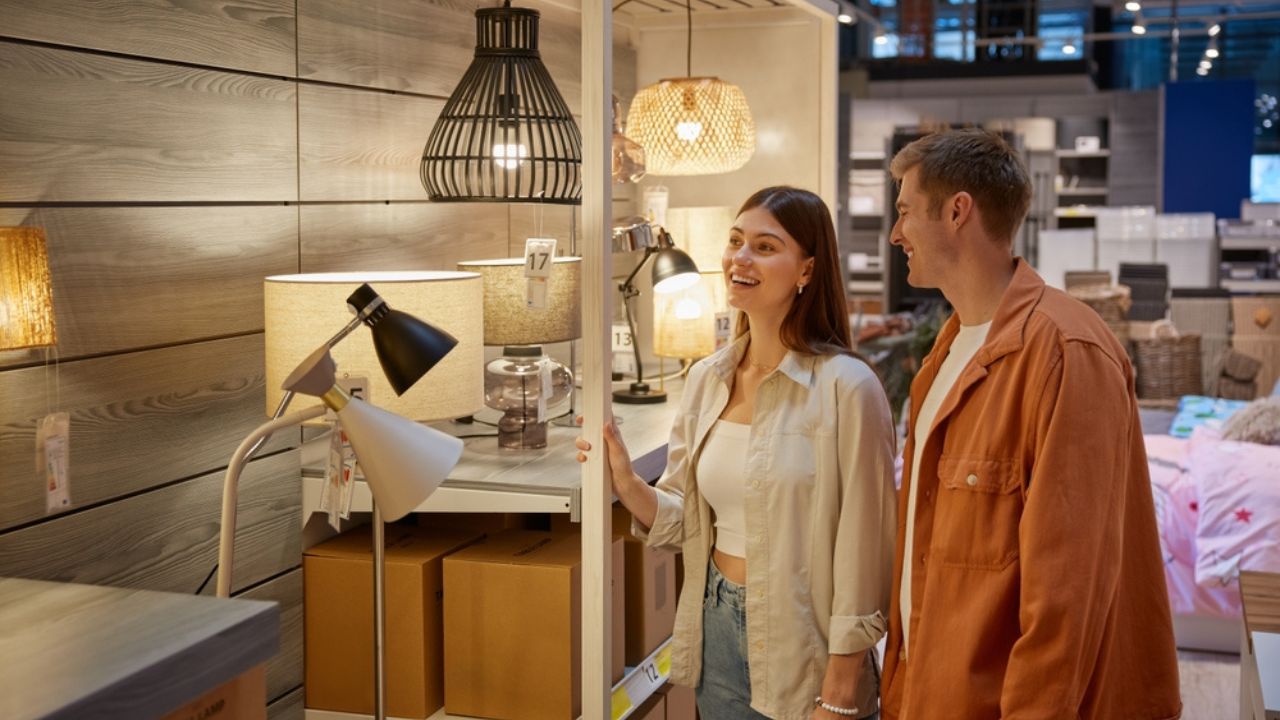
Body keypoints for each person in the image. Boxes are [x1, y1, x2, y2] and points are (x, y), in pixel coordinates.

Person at [880, 128, 1182, 719]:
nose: (895, 234)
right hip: (934, 693)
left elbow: (1069, 591)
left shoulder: (1066, 349)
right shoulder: (947, 350)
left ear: (957, 211)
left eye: (906, 212)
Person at [576, 187, 896, 719]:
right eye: (735, 241)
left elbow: (867, 551)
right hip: (716, 631)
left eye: (765, 247)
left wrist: (841, 690)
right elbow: (688, 522)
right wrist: (629, 484)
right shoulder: (707, 378)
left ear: (807, 270)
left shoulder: (847, 388)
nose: (739, 259)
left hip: (806, 648)